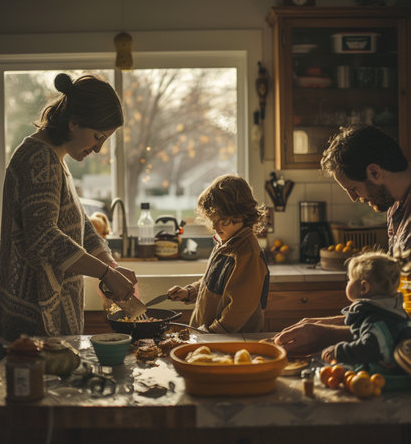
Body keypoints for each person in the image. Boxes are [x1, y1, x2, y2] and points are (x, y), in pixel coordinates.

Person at [0, 73, 137, 345]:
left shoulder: (55, 159)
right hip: (34, 317)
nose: (98, 148)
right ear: (74, 123)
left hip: (46, 317)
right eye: (97, 137)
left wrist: (112, 267)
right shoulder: (39, 159)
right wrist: (106, 274)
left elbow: (80, 225)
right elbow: (44, 237)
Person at [274, 124, 411, 356]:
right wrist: (322, 324)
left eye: (354, 188)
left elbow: (402, 326)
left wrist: (329, 334)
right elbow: (395, 310)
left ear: (375, 172)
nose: (354, 198)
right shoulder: (396, 209)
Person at [167, 174, 270, 333]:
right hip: (211, 335)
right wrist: (189, 292)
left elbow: (240, 307)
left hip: (233, 340)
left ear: (241, 214)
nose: (215, 227)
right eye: (212, 220)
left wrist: (214, 333)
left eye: (222, 220)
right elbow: (213, 281)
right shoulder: (227, 243)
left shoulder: (247, 253)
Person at [321, 251, 411, 375]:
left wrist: (339, 351)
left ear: (364, 288)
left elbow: (369, 349)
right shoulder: (393, 312)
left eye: (350, 279)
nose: (347, 283)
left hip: (385, 381)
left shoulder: (375, 320)